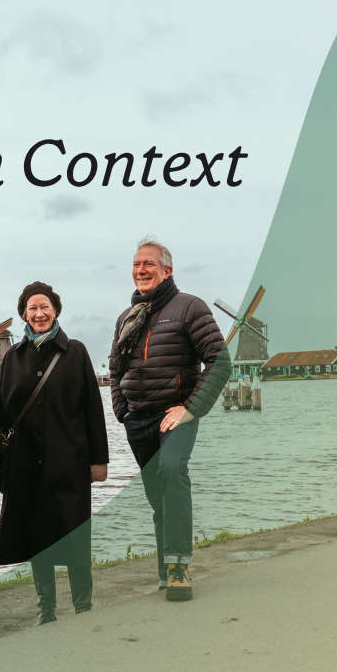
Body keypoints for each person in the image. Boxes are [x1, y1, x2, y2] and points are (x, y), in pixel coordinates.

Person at [0, 282, 110, 626]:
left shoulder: (76, 352)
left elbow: (93, 408)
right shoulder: (11, 358)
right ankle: (45, 610)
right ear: (24, 313)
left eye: (45, 307)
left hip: (69, 464)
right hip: (25, 465)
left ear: (56, 311)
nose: (39, 313)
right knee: (37, 540)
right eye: (32, 308)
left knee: (75, 536)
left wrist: (98, 460)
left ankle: (83, 606)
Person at [108, 238, 231, 601]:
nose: (140, 270)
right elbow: (115, 369)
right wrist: (122, 409)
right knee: (158, 497)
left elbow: (220, 362)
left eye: (148, 263)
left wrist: (190, 408)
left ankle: (179, 568)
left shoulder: (189, 307)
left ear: (167, 270)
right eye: (136, 264)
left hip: (174, 415)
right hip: (138, 421)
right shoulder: (126, 317)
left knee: (173, 469)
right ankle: (166, 567)